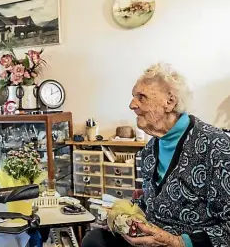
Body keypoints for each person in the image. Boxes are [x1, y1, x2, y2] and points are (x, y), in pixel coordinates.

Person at [82, 63, 230, 247]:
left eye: (141, 97)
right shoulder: (150, 149)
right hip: (152, 239)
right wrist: (126, 218)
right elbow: (151, 202)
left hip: (189, 242)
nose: (132, 105)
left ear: (170, 102)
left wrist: (176, 242)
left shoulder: (216, 146)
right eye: (133, 97)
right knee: (95, 239)